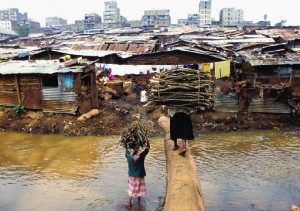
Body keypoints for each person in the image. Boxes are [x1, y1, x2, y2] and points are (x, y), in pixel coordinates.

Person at [125, 141, 150, 208]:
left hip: (132, 176)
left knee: (131, 189)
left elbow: (126, 150)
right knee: (140, 188)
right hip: (139, 176)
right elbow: (147, 149)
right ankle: (139, 203)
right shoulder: (141, 156)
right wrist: (147, 141)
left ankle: (129, 202)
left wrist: (127, 142)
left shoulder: (128, 156)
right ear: (138, 149)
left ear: (132, 149)